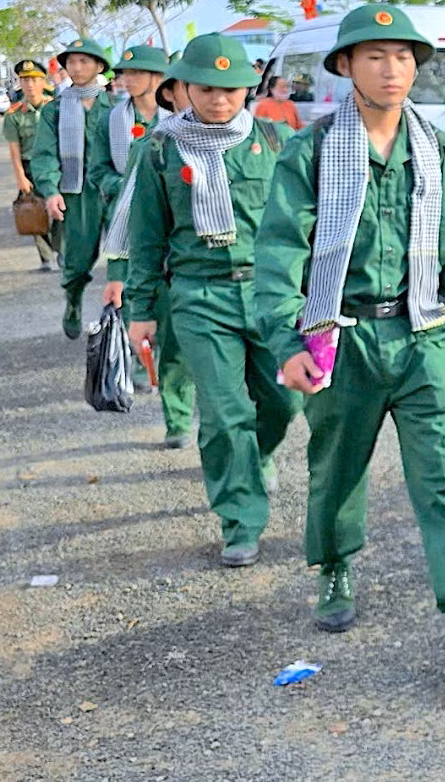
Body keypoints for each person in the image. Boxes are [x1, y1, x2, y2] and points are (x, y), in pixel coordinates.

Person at [255, 4, 445, 679]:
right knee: (337, 465)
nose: (391, 69)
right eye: (375, 56)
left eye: (403, 56)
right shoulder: (312, 151)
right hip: (339, 334)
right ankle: (335, 567)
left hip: (423, 332)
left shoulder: (434, 145)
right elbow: (281, 250)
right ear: (346, 66)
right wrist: (287, 340)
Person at [123, 34, 300, 568]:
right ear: (183, 89)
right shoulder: (159, 149)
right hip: (200, 296)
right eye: (206, 89)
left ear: (249, 88)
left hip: (270, 293)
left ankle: (257, 456)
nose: (219, 100)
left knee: (284, 402)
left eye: (231, 89)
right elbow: (146, 237)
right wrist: (140, 310)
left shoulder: (275, 139)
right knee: (225, 414)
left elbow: (304, 222)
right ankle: (240, 519)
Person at [95, 45, 196, 450]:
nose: (129, 79)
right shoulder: (149, 145)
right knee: (172, 347)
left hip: (228, 270)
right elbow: (130, 223)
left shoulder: (245, 141)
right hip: (168, 265)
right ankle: (178, 419)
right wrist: (118, 275)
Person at [29, 38, 115, 339]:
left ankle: (130, 320)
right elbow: (44, 154)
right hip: (77, 193)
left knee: (130, 257)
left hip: (115, 190)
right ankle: (74, 301)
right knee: (77, 261)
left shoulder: (117, 106)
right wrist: (51, 190)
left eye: (84, 61)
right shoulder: (55, 109)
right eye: (71, 62)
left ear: (99, 66)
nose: (77, 68)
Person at [3, 60, 63, 272]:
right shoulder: (14, 114)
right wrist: (20, 176)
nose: (30, 85)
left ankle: (62, 251)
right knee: (34, 210)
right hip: (30, 167)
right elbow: (14, 149)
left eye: (34, 80)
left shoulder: (56, 108)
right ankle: (46, 258)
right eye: (25, 80)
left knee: (60, 209)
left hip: (56, 165)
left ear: (43, 82)